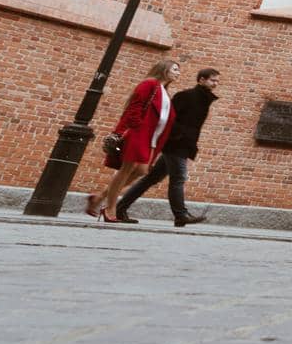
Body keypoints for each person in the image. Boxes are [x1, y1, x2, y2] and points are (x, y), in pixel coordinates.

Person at [113, 68, 219, 227]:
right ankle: (180, 215)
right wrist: (179, 135)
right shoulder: (186, 96)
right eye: (213, 80)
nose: (216, 84)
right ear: (201, 80)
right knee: (179, 177)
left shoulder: (205, 99)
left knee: (151, 178)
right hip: (176, 144)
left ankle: (120, 208)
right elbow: (170, 118)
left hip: (185, 144)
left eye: (217, 81)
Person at [88, 60, 179, 223]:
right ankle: (109, 209)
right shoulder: (149, 84)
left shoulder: (164, 90)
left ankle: (99, 197)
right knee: (126, 169)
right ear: (164, 70)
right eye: (175, 69)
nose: (178, 73)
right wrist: (137, 127)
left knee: (142, 170)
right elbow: (134, 107)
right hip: (139, 133)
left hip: (152, 138)